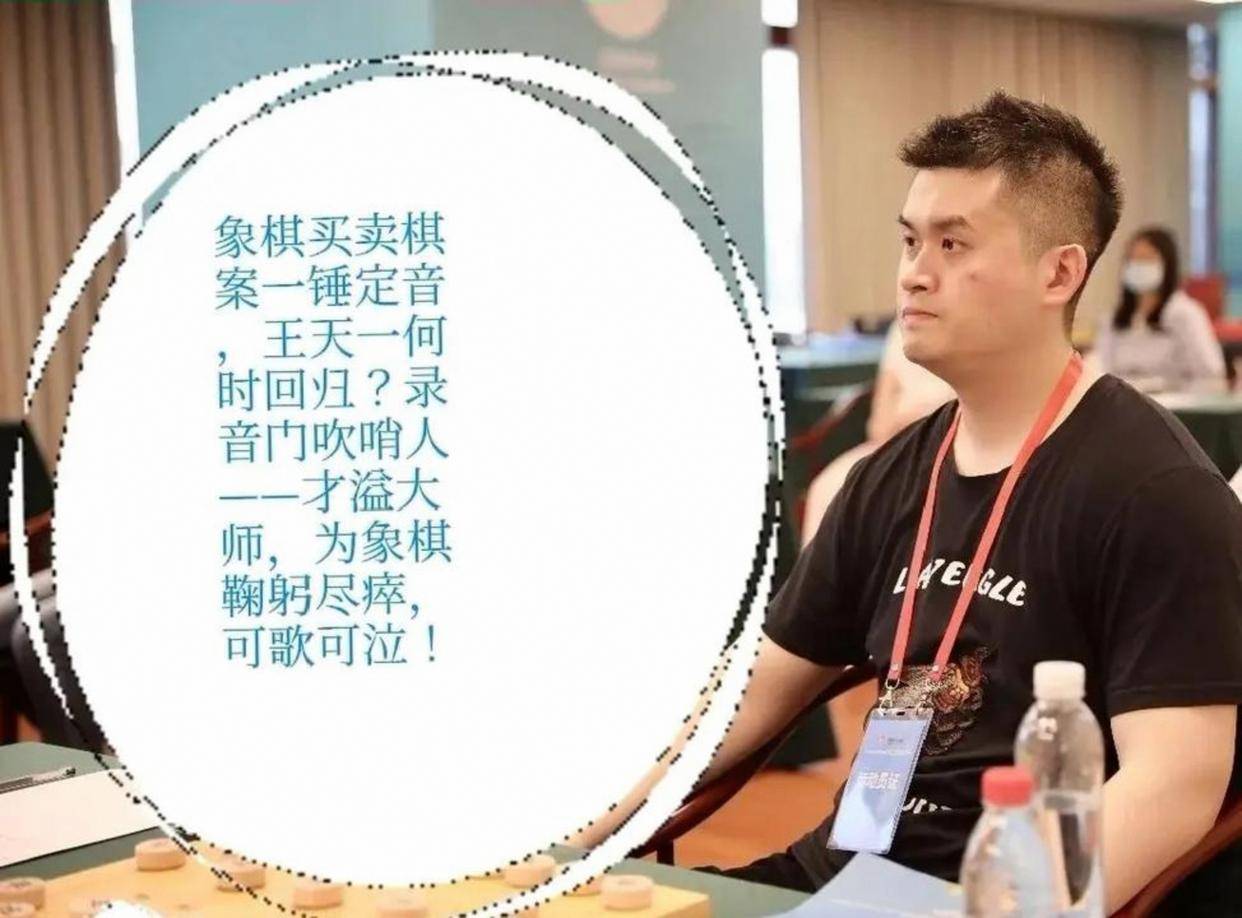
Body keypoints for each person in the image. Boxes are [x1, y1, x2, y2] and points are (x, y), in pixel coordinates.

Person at [574, 92, 1242, 915]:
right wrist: (573, 830)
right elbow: (751, 692)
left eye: (953, 243)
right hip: (839, 878)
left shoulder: (1155, 491)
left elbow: (1176, 784)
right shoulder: (890, 477)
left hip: (989, 896)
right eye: (910, 239)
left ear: (1059, 273)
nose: (914, 272)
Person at [801, 321, 953, 548]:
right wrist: (896, 429)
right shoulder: (902, 326)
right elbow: (879, 422)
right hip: (895, 441)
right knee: (828, 486)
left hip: (949, 442)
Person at [1094, 226, 1226, 393]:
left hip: (1175, 402)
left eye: (1147, 259)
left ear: (1166, 265)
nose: (1138, 266)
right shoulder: (1114, 319)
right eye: (1133, 259)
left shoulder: (1185, 313)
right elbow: (1101, 370)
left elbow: (1211, 374)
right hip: (1124, 402)